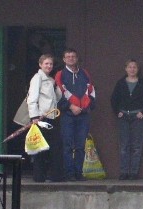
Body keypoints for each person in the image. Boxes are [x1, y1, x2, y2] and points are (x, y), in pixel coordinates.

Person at [55, 48, 96, 181]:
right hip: (67, 115)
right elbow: (57, 95)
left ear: (77, 58)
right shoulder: (60, 75)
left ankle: (79, 173)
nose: (71, 58)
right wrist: (70, 106)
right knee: (67, 145)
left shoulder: (84, 73)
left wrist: (86, 108)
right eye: (68, 56)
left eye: (73, 56)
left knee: (80, 146)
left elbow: (91, 92)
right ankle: (69, 173)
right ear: (64, 59)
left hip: (83, 116)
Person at [110, 59, 143, 180]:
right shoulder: (120, 83)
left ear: (138, 69)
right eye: (129, 67)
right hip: (124, 116)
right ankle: (124, 172)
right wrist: (117, 111)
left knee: (137, 146)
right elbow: (114, 99)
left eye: (134, 67)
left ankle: (134, 173)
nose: (132, 69)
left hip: (137, 117)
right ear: (126, 69)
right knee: (124, 145)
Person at [26, 53, 64, 182]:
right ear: (40, 64)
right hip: (41, 118)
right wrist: (34, 117)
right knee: (40, 148)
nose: (49, 66)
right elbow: (32, 99)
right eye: (46, 63)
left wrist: (58, 88)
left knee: (54, 147)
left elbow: (56, 99)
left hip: (52, 117)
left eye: (51, 64)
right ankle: (39, 177)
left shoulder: (51, 80)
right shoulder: (37, 78)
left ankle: (55, 175)